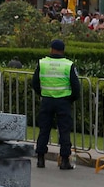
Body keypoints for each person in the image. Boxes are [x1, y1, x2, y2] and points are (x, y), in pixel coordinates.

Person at [32, 39, 81, 170]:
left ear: (51, 49)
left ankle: (40, 159)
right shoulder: (68, 64)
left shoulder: (42, 63)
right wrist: (72, 98)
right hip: (63, 101)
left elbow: (35, 82)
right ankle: (65, 160)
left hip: (47, 100)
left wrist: (42, 93)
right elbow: (76, 86)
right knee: (64, 131)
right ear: (63, 50)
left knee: (44, 130)